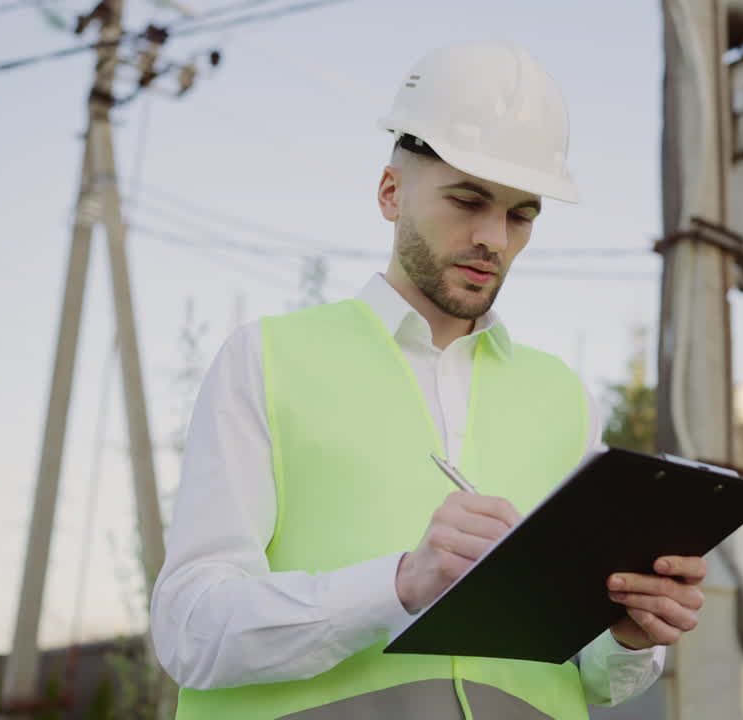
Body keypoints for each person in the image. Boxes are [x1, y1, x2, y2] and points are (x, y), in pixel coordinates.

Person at [150, 41, 709, 720]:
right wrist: (399, 586)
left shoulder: (564, 399)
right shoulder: (267, 359)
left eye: (521, 213)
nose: (494, 239)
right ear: (391, 193)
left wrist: (629, 632)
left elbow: (595, 679)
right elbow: (188, 629)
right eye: (468, 200)